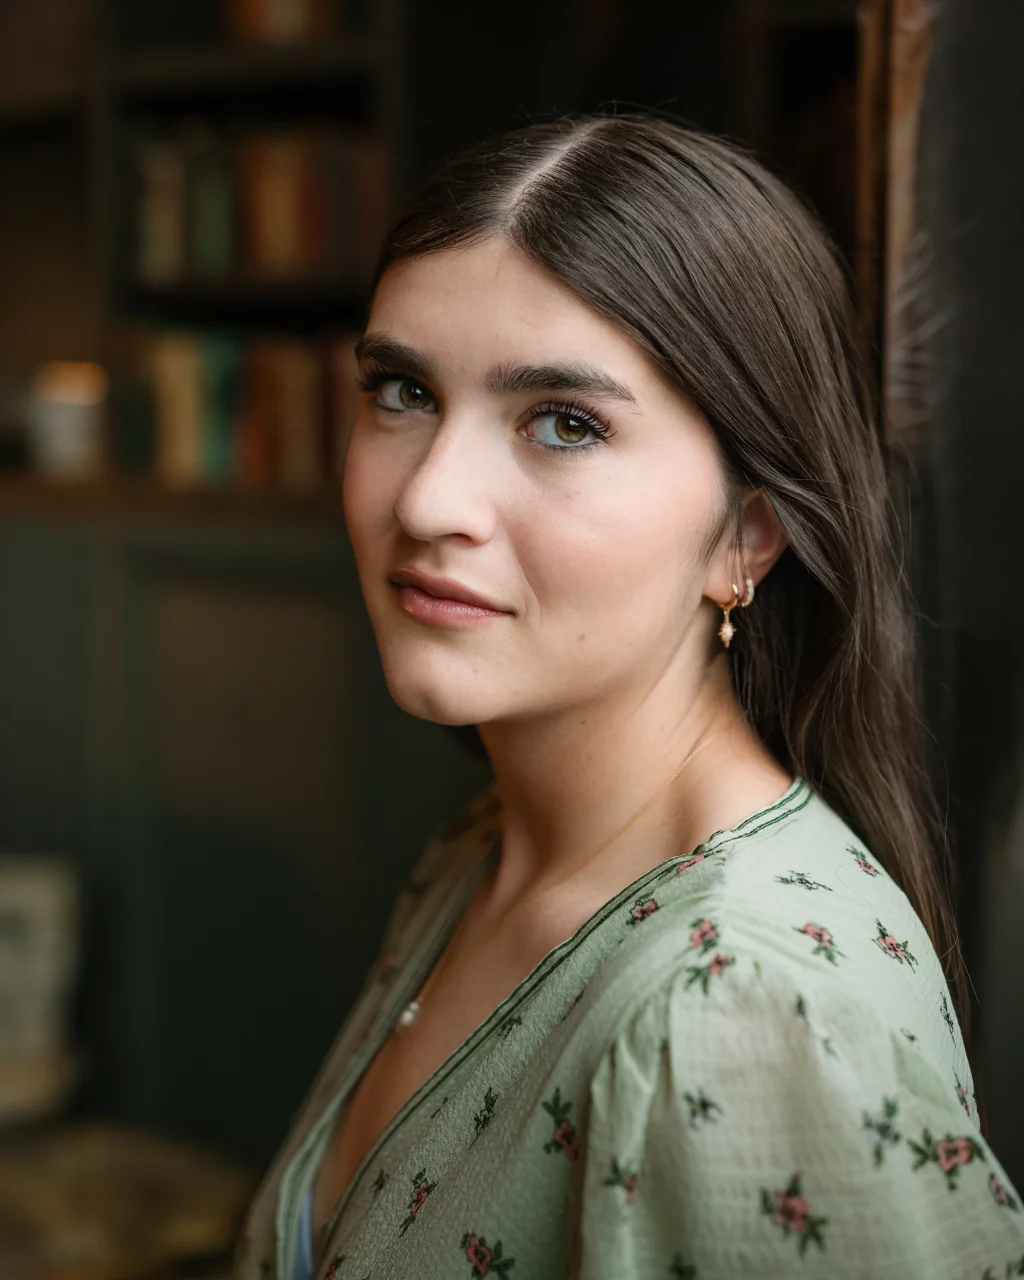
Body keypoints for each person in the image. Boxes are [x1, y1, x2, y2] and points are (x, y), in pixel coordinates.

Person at [233, 110, 1024, 1278]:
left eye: (563, 422)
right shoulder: (485, 852)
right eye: (401, 390)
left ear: (746, 536)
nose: (429, 501)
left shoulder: (740, 1011)